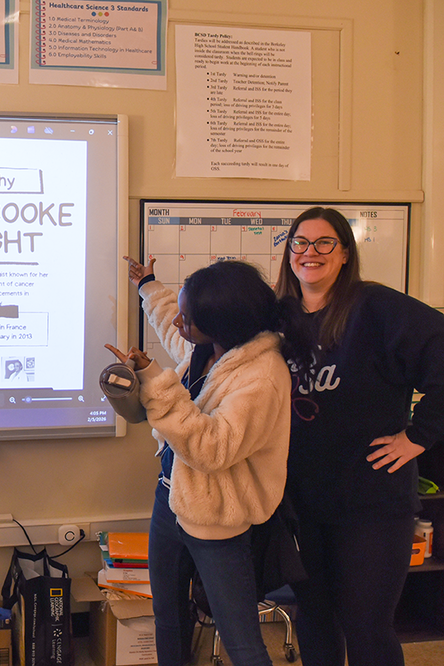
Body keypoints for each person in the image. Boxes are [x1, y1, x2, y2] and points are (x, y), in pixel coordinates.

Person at [112, 258, 313, 666]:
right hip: (168, 500)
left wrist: (155, 380)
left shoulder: (261, 376)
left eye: (190, 318)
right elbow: (172, 325)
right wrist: (148, 285)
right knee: (167, 616)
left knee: (240, 640)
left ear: (221, 322)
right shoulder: (210, 348)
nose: (181, 323)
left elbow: (211, 449)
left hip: (216, 520)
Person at [273, 207, 444, 666]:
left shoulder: (377, 308)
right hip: (301, 503)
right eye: (300, 243)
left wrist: (419, 437)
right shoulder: (278, 317)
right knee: (314, 618)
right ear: (289, 253)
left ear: (345, 253)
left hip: (372, 502)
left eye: (324, 242)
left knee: (366, 625)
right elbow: (212, 327)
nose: (311, 252)